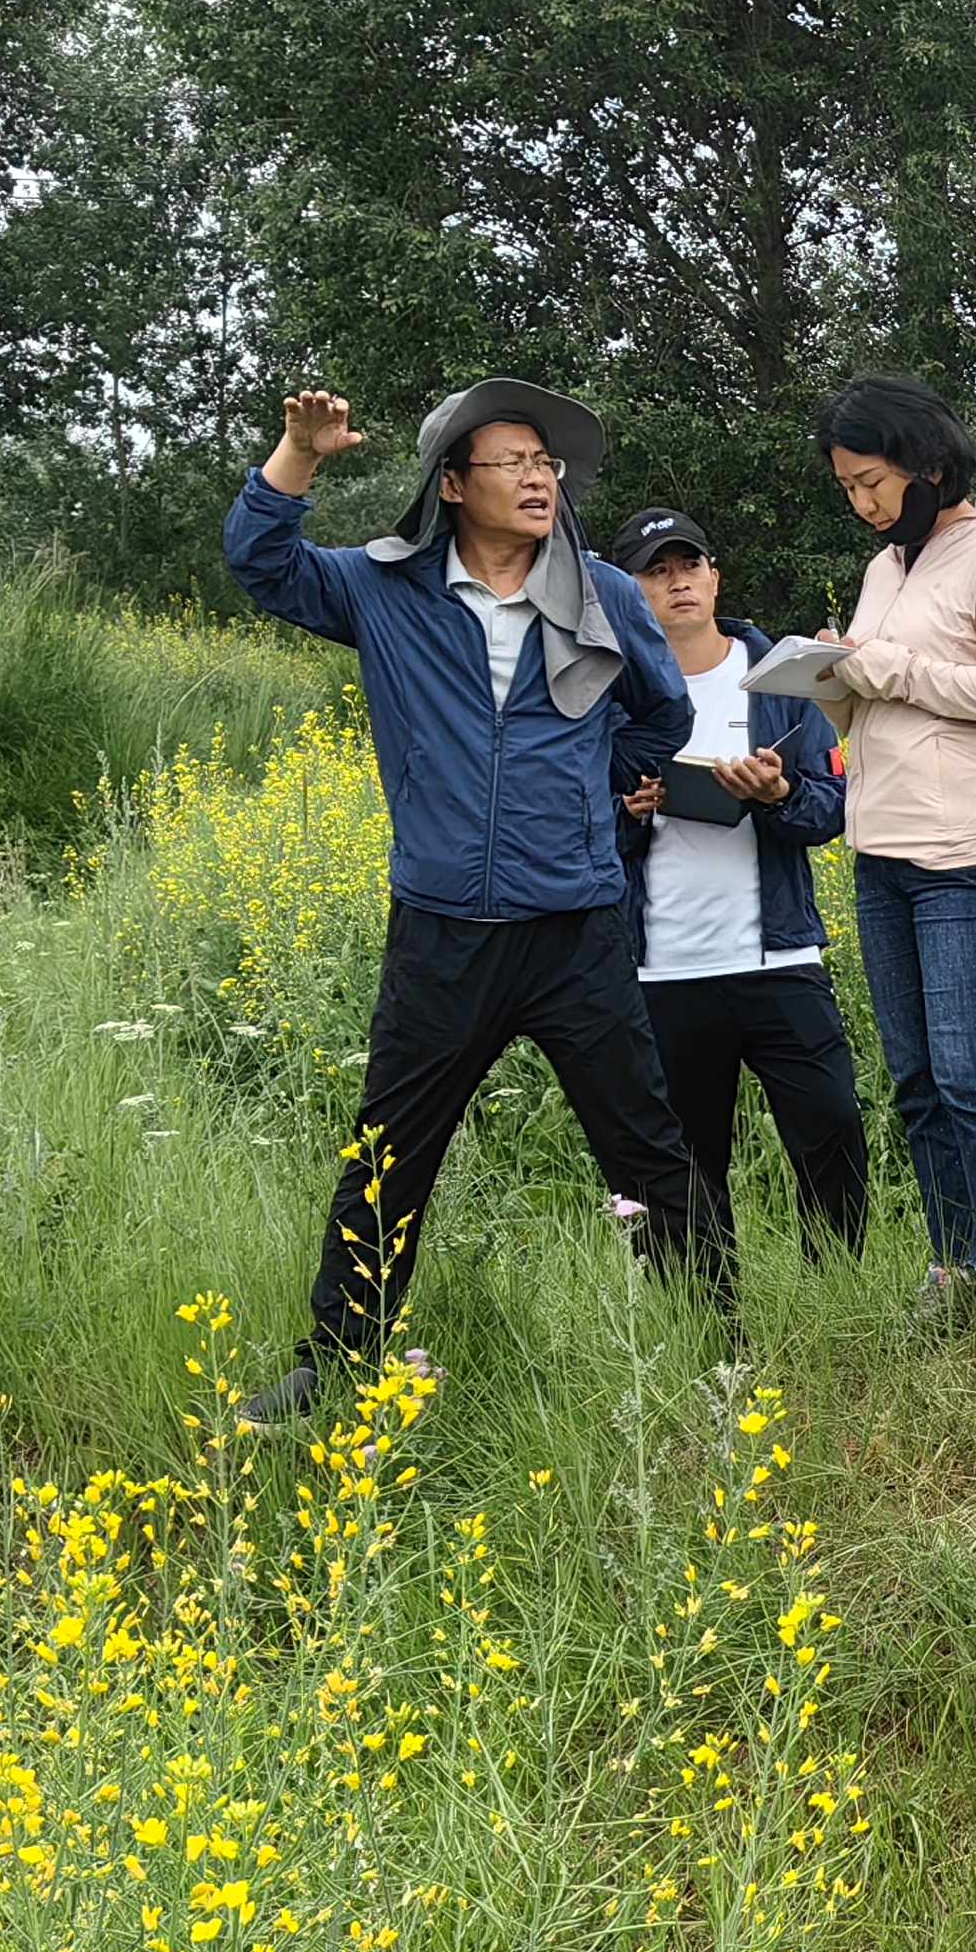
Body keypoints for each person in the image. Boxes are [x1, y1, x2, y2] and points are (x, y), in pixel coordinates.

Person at [219, 382, 718, 1425]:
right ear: (452, 485)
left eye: (548, 465)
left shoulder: (605, 596)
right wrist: (297, 454)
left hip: (576, 923)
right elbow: (260, 565)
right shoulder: (384, 588)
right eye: (513, 463)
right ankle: (338, 1362)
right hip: (444, 930)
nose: (541, 479)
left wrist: (591, 800)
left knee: (645, 1146)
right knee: (387, 1154)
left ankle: (716, 1352)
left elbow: (658, 714)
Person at [821, 375, 976, 1381]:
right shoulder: (886, 566)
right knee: (919, 1080)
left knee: (973, 1072)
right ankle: (956, 1262)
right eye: (847, 488)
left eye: (872, 482)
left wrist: (886, 671)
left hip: (973, 848)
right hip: (882, 844)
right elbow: (879, 694)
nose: (864, 504)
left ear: (926, 464)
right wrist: (836, 678)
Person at [608, 506, 873, 1265]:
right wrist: (628, 814)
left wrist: (776, 795)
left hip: (778, 960)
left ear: (715, 576)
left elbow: (831, 807)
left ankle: (836, 1296)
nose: (678, 582)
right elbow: (576, 827)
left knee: (832, 1131)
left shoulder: (780, 681)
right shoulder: (610, 692)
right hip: (660, 970)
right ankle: (707, 1326)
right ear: (629, 593)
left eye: (689, 565)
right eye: (656, 571)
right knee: (681, 1167)